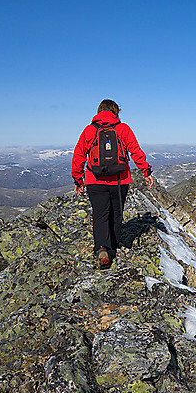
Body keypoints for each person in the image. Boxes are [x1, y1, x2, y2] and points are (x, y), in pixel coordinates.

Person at [72, 99, 154, 268]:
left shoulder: (89, 130)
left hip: (94, 180)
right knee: (116, 213)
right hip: (120, 179)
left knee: (100, 214)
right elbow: (135, 151)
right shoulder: (123, 129)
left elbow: (79, 155)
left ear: (99, 111)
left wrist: (78, 179)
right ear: (116, 112)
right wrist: (146, 172)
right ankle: (115, 246)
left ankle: (102, 248)